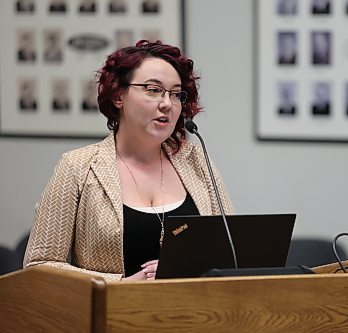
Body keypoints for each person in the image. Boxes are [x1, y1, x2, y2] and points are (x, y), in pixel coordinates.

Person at [23, 40, 234, 282]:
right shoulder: (78, 167)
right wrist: (121, 285)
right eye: (153, 90)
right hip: (111, 315)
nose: (167, 103)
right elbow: (38, 266)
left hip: (194, 314)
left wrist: (188, 268)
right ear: (118, 96)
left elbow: (232, 253)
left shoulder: (196, 161)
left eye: (175, 94)